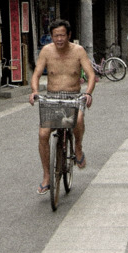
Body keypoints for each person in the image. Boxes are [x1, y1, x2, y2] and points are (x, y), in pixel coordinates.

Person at [29, 21, 95, 195]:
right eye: (55, 35)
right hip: (52, 97)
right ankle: (46, 176)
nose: (59, 39)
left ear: (68, 35)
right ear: (51, 36)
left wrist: (88, 93)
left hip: (74, 96)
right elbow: (36, 74)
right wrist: (34, 91)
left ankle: (78, 148)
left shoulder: (78, 51)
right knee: (43, 134)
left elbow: (91, 75)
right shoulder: (46, 51)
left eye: (62, 35)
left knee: (78, 119)